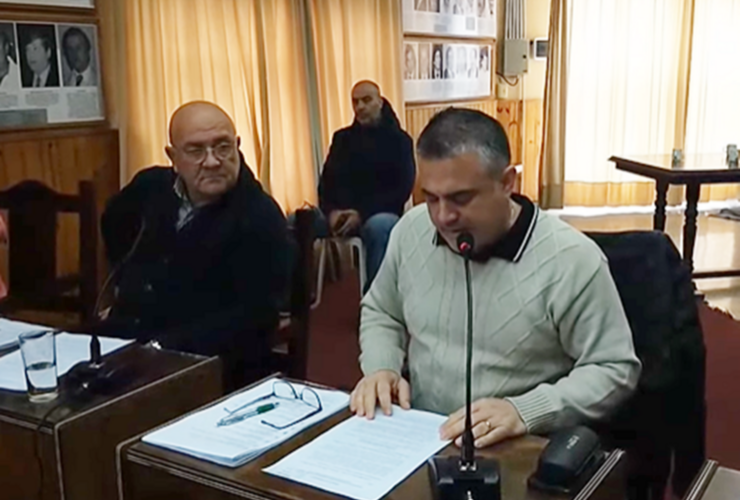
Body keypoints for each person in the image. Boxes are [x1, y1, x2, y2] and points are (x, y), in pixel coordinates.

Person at [351, 108, 641, 450]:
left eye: (461, 198)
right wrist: (381, 367)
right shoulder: (411, 230)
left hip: (516, 447)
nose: (443, 217)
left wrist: (525, 410)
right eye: (431, 198)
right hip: (421, 435)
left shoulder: (572, 260)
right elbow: (383, 311)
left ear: (507, 183)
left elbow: (613, 368)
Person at [99, 101, 291, 391]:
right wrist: (122, 287)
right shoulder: (150, 187)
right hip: (127, 341)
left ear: (238, 146)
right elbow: (112, 221)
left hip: (206, 365)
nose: (212, 161)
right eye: (196, 150)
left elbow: (255, 317)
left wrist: (160, 346)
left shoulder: (259, 216)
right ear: (173, 157)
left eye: (223, 147)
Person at [316, 81, 415, 291]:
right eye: (355, 101)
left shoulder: (399, 141)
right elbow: (325, 184)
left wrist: (360, 214)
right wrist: (332, 212)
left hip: (378, 213)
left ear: (380, 102)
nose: (360, 106)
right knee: (297, 222)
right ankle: (295, 303)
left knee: (379, 227)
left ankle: (376, 303)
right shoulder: (342, 139)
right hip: (339, 215)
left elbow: (402, 189)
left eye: (366, 100)